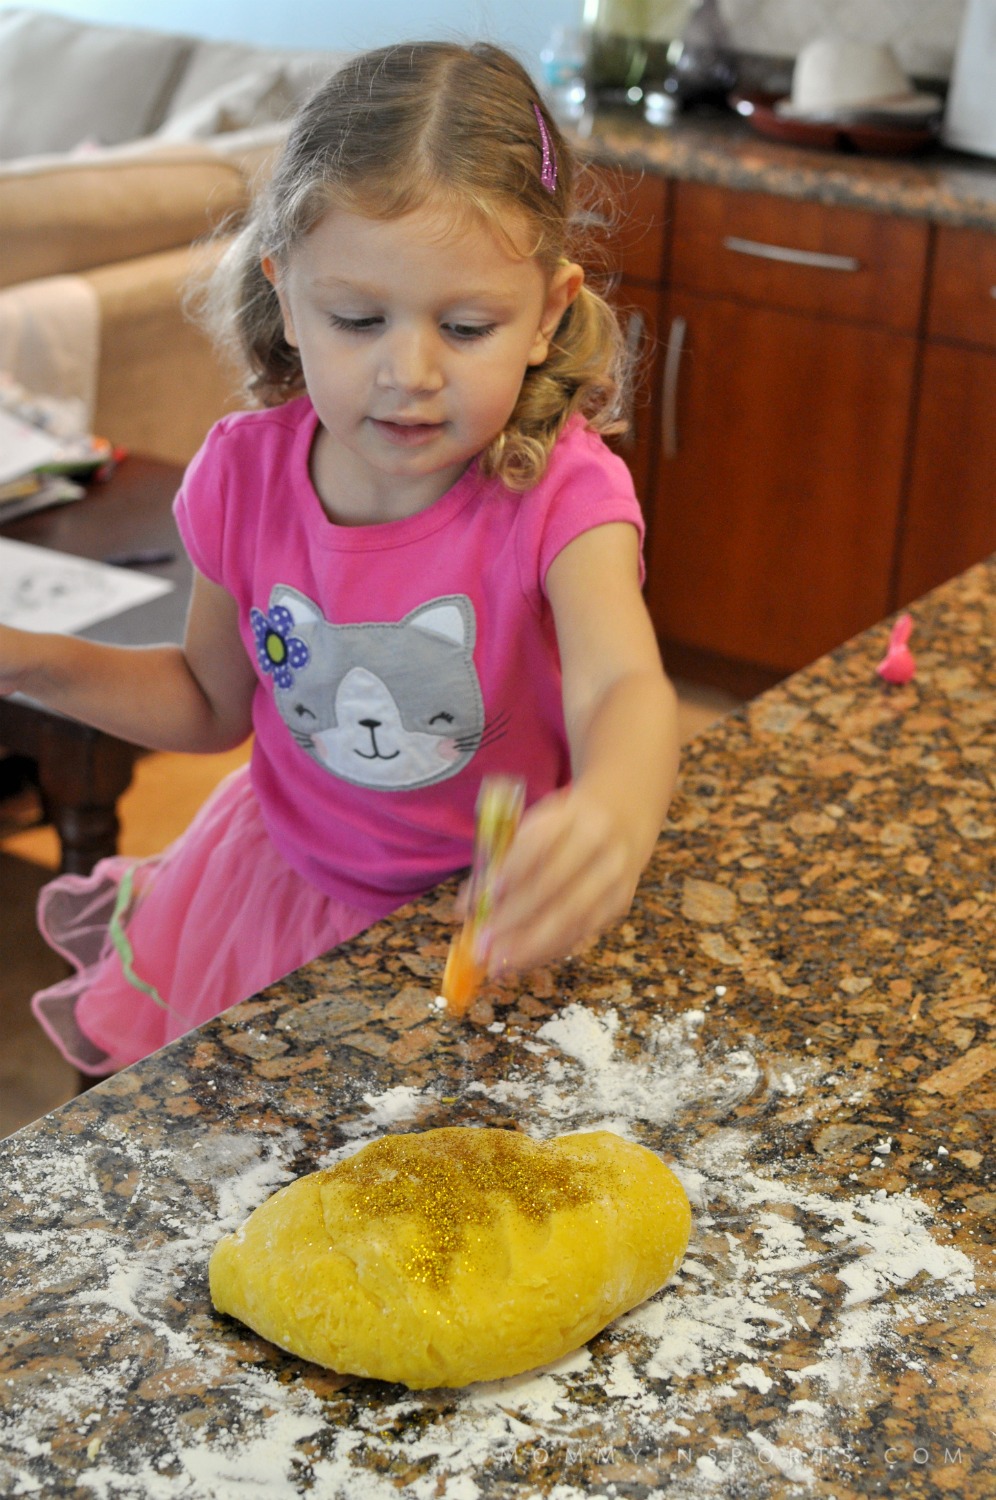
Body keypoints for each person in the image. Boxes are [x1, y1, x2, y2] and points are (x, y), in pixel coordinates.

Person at [0, 41, 680, 1076]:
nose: (408, 372)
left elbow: (621, 683)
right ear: (284, 292)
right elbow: (207, 700)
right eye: (356, 319)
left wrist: (616, 808)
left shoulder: (561, 498)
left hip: (482, 916)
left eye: (466, 325)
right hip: (274, 896)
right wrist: (29, 661)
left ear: (547, 312)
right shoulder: (243, 475)